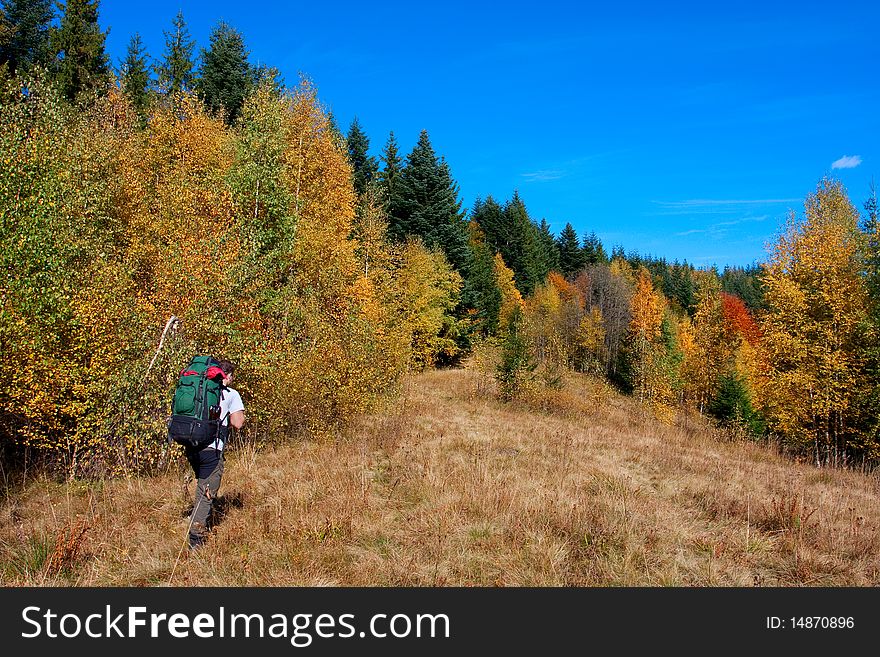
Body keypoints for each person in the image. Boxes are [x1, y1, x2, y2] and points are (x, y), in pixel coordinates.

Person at [185, 358, 245, 549]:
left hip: (192, 446)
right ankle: (196, 541)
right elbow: (238, 423)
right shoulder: (231, 394)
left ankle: (198, 520)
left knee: (202, 486)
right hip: (212, 449)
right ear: (227, 376)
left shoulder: (200, 390)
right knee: (206, 493)